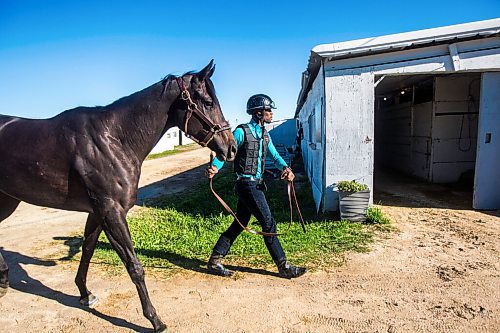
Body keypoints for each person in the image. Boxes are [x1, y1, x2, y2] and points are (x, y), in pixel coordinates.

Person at [205, 94, 306, 279]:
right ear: (258, 113)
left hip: (256, 185)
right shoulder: (242, 131)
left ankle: (214, 260)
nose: (271, 113)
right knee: (268, 223)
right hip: (246, 184)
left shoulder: (265, 135)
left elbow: (274, 156)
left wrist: (286, 168)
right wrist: (215, 168)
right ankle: (283, 266)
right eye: (268, 110)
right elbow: (228, 152)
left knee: (239, 224)